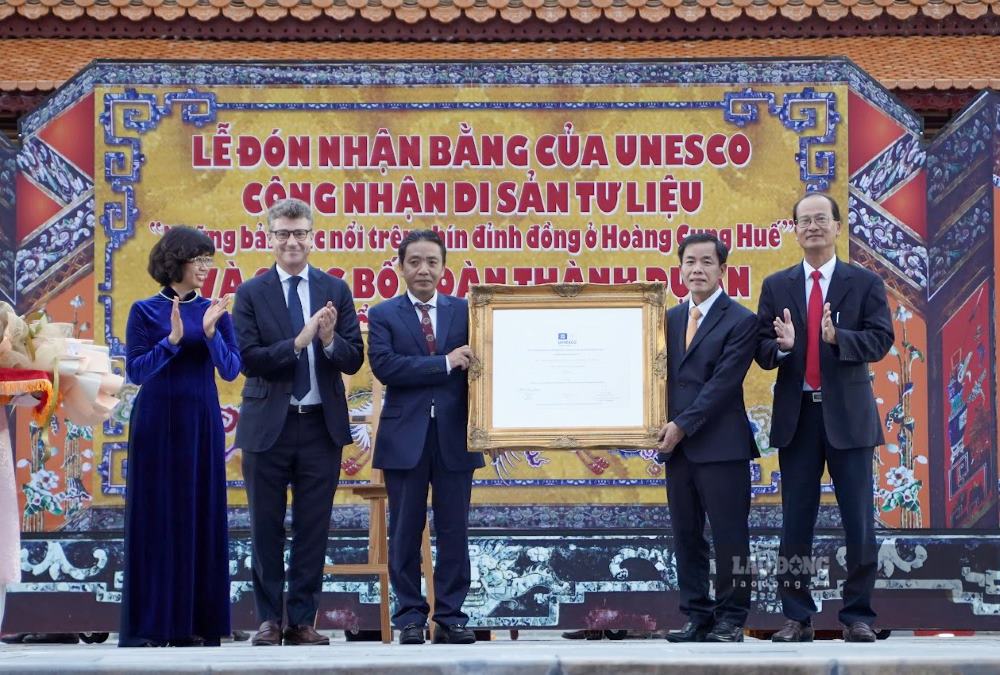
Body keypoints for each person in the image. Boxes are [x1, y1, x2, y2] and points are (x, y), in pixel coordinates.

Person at [755, 193, 893, 643]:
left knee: (859, 519)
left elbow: (880, 340)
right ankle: (797, 616)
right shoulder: (777, 286)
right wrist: (785, 348)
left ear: (838, 227)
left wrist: (838, 338)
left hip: (848, 417)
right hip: (798, 418)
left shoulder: (864, 283)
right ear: (794, 230)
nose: (812, 227)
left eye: (821, 219)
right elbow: (761, 347)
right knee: (796, 521)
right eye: (803, 221)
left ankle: (858, 615)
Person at [233, 198, 364, 646]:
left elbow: (353, 359)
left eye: (301, 233)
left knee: (313, 527)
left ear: (313, 237)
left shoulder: (335, 290)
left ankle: (302, 620)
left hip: (319, 427)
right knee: (265, 526)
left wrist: (328, 340)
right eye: (284, 233)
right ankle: (269, 619)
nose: (293, 241)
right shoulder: (251, 293)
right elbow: (249, 360)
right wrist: (298, 341)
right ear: (269, 238)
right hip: (267, 426)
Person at [119, 226, 241, 647]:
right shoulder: (144, 310)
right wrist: (171, 341)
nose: (207, 267)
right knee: (155, 517)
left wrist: (208, 335)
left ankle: (194, 624)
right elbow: (136, 372)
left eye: (210, 259)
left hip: (199, 422)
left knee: (198, 515)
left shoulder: (215, 309)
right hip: (154, 422)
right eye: (199, 259)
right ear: (177, 261)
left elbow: (229, 370)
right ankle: (151, 625)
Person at [367, 230, 484, 645]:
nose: (423, 269)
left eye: (432, 261)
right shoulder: (383, 315)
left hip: (455, 437)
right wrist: (445, 363)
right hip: (404, 438)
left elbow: (486, 365)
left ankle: (450, 617)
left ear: (444, 267)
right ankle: (410, 618)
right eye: (414, 261)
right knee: (405, 530)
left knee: (454, 530)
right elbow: (387, 367)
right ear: (400, 267)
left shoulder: (467, 313)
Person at [657, 233, 758, 643]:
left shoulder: (741, 320)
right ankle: (697, 616)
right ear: (680, 269)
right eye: (689, 262)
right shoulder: (668, 319)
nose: (697, 269)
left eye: (706, 262)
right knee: (686, 534)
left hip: (721, 447)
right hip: (677, 451)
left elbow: (721, 385)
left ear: (722, 270)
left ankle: (732, 617)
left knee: (730, 536)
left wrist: (679, 426)